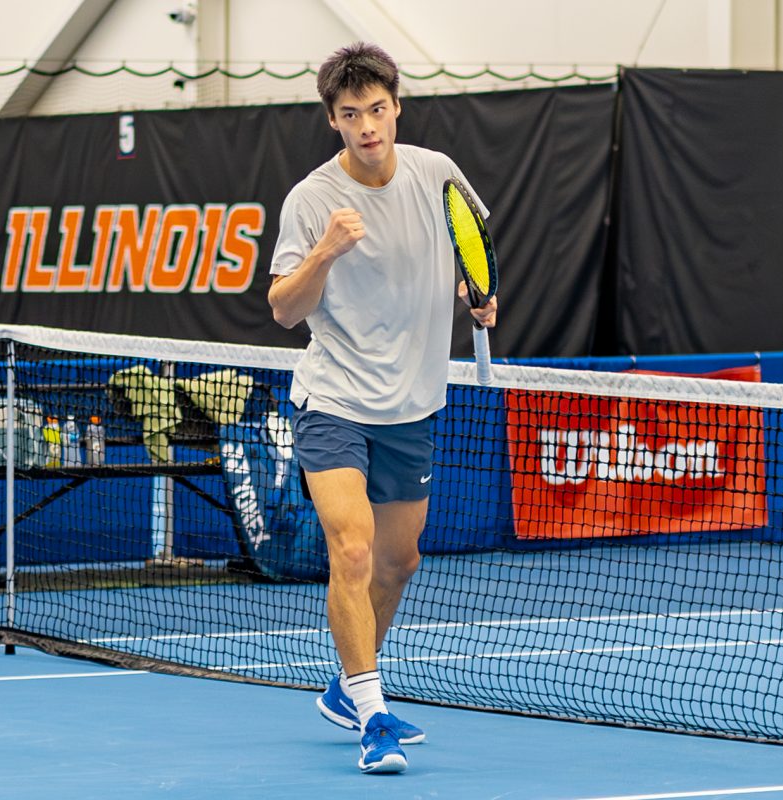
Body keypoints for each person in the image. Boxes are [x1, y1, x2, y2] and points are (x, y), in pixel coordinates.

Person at [268, 42, 497, 775]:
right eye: (349, 115)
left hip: (414, 403)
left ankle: (346, 685)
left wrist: (478, 297)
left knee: (398, 562)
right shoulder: (311, 200)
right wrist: (325, 253)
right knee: (354, 550)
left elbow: (472, 257)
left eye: (376, 109)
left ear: (396, 107)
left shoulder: (438, 175)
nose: (366, 125)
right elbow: (282, 309)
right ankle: (373, 715)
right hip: (334, 398)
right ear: (332, 121)